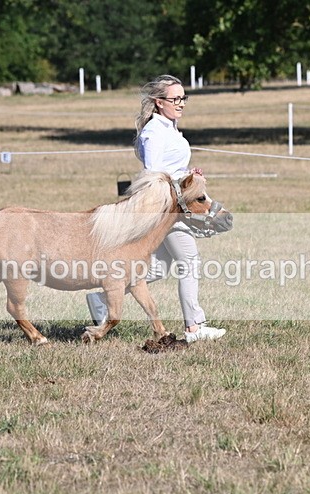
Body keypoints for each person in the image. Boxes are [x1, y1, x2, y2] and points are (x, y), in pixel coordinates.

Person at [86, 74, 226, 343]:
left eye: (183, 98)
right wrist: (180, 184)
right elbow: (153, 175)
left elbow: (169, 169)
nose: (181, 103)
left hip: (176, 202)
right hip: (167, 209)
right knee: (189, 261)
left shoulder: (169, 128)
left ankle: (102, 299)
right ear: (159, 102)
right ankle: (194, 327)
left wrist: (189, 175)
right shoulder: (154, 133)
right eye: (175, 99)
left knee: (160, 267)